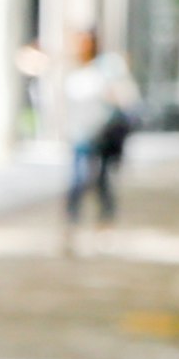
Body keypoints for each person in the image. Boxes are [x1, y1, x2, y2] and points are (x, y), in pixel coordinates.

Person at [59, 33, 136, 234]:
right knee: (78, 180)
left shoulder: (102, 74)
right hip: (80, 136)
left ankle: (104, 221)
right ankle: (73, 222)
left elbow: (121, 99)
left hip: (100, 136)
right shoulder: (75, 76)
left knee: (102, 181)